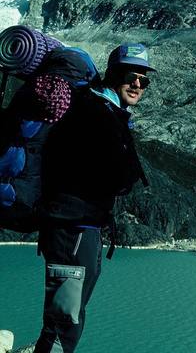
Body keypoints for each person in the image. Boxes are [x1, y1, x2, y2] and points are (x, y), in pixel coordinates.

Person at [32, 43, 155, 353]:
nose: (138, 84)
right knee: (65, 321)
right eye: (132, 76)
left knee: (65, 316)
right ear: (113, 74)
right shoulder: (95, 112)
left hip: (77, 227)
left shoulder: (104, 109)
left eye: (144, 80)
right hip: (72, 227)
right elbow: (116, 176)